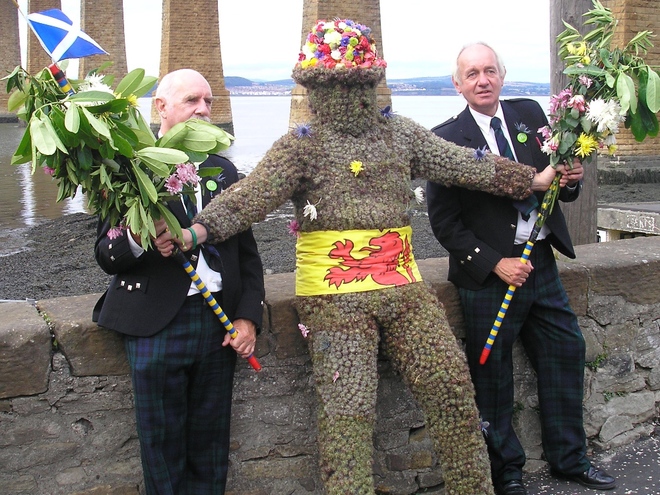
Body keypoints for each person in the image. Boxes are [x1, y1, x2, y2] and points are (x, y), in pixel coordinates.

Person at [155, 21, 563, 495]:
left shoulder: (401, 136)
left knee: (451, 391)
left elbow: (464, 163)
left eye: (359, 83)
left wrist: (531, 180)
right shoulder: (300, 147)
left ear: (372, 83)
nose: (348, 94)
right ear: (315, 89)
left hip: (404, 287)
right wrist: (195, 231)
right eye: (337, 85)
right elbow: (249, 197)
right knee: (347, 417)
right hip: (334, 299)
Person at [426, 42, 616, 495]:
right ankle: (506, 470)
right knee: (491, 373)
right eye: (471, 74)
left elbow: (560, 188)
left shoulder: (530, 113)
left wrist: (571, 180)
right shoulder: (444, 139)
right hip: (488, 278)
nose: (482, 80)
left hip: (542, 263)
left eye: (489, 71)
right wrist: (495, 264)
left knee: (566, 352)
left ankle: (570, 459)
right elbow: (444, 224)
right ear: (458, 84)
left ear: (502, 76)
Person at [92, 68, 265, 494]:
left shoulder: (223, 171)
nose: (204, 109)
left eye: (208, 101)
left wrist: (248, 319)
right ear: (160, 106)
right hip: (155, 326)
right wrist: (137, 236)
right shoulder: (128, 172)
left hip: (216, 324)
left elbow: (248, 257)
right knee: (161, 451)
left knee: (211, 448)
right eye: (192, 101)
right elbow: (106, 255)